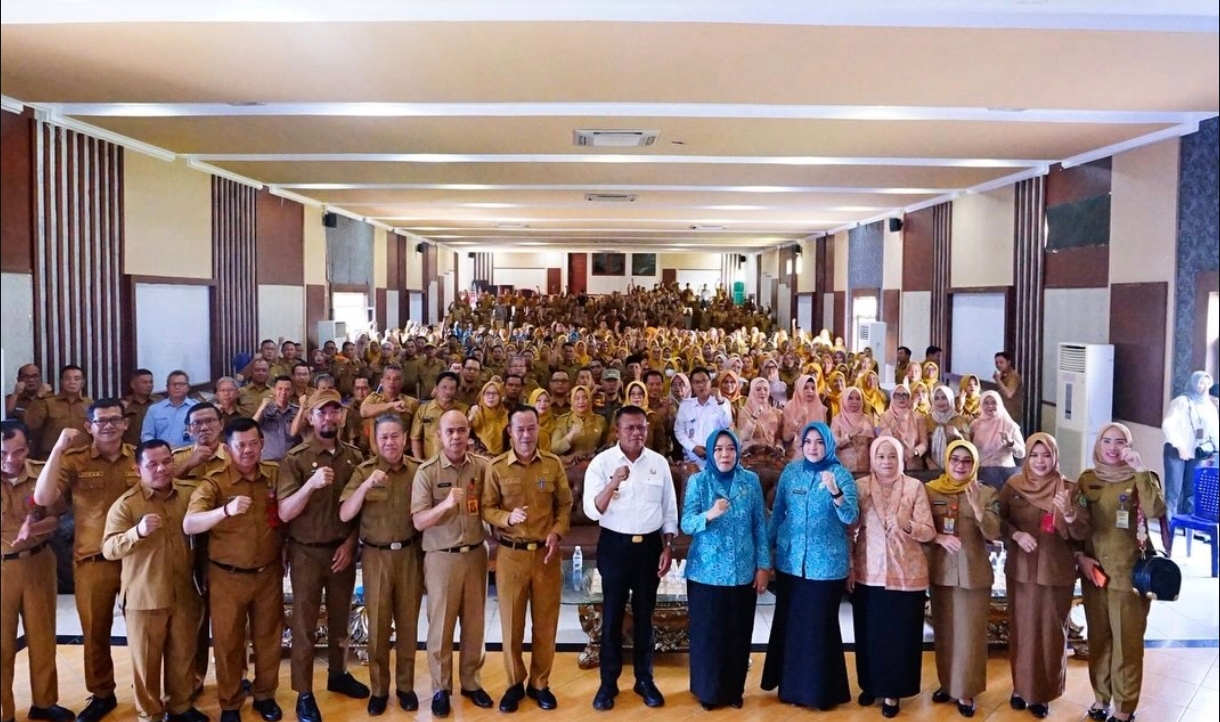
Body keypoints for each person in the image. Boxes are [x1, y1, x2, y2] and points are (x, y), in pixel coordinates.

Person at [34, 400, 139, 722]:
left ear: (124, 424)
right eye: (101, 421)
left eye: (115, 420)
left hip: (138, 560)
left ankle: (152, 692)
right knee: (95, 631)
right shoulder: (74, 461)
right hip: (93, 560)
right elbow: (44, 498)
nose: (108, 426)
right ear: (88, 427)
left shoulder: (139, 457)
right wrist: (57, 450)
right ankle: (102, 693)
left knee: (147, 631)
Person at [183, 418, 285, 722]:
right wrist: (223, 511)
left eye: (254, 443)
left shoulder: (274, 476)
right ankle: (230, 703)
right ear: (227, 448)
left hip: (268, 572)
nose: (248, 450)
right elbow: (190, 523)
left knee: (269, 638)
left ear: (262, 444)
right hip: (226, 576)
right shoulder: (214, 483)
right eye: (241, 444)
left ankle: (265, 695)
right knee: (228, 642)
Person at [276, 389, 369, 722]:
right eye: (322, 412)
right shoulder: (296, 459)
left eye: (335, 412)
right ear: (311, 418)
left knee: (341, 619)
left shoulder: (354, 457)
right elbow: (285, 512)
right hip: (306, 553)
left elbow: (361, 512)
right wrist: (311, 485)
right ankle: (304, 692)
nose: (330, 418)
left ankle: (339, 673)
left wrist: (351, 544)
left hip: (342, 551)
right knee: (303, 625)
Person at [101, 439, 207, 722]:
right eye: (152, 464)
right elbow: (109, 549)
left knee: (183, 657)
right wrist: (136, 532)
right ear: (138, 469)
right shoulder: (126, 505)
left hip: (184, 593)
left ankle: (181, 707)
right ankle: (149, 714)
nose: (161, 469)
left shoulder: (189, 494)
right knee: (146, 663)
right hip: (144, 598)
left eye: (166, 462)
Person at [583, 406, 679, 711]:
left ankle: (644, 678)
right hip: (615, 545)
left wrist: (667, 546)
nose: (637, 433)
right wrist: (613, 482)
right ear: (617, 432)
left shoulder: (659, 463)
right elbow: (591, 510)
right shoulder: (602, 463)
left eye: (642, 427)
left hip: (650, 547)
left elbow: (669, 509)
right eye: (630, 428)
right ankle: (608, 684)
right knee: (611, 618)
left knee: (644, 615)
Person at [482, 407, 573, 713]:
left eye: (531, 428)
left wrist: (557, 533)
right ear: (509, 431)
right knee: (511, 625)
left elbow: (565, 504)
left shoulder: (552, 464)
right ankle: (513, 683)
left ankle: (539, 683)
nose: (525, 435)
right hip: (511, 555)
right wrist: (507, 517)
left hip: (546, 555)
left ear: (538, 429)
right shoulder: (496, 468)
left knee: (546, 624)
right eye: (519, 429)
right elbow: (486, 508)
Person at [762, 421, 858, 710]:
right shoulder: (791, 472)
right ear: (801, 446)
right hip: (791, 563)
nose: (813, 447)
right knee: (793, 627)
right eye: (808, 442)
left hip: (826, 565)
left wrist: (835, 493)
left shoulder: (840, 474)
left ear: (828, 444)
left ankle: (822, 692)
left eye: (819, 442)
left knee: (819, 627)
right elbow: (777, 513)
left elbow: (851, 518)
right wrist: (765, 552)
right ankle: (792, 690)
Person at [1073, 423, 1166, 722]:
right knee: (1099, 641)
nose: (1113, 448)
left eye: (1120, 442)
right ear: (1098, 445)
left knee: (1127, 644)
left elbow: (1154, 511)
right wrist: (1079, 557)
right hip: (1095, 573)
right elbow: (1076, 525)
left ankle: (1125, 708)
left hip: (1130, 576)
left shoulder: (1143, 477)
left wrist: (1139, 469)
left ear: (1129, 445)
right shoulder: (1087, 480)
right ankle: (1101, 699)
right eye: (1106, 441)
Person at [408, 410, 495, 718]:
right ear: (439, 436)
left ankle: (471, 682)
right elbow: (418, 521)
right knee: (441, 627)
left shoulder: (483, 467)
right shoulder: (427, 472)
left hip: (475, 554)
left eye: (461, 430)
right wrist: (445, 504)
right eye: (450, 432)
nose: (457, 437)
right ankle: (440, 688)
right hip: (441, 557)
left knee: (474, 625)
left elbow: (492, 507)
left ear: (469, 432)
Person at [339, 415, 426, 716]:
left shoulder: (418, 471)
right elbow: (345, 514)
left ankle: (405, 686)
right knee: (376, 627)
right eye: (383, 437)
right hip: (375, 557)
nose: (389, 442)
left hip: (410, 554)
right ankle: (379, 689)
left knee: (408, 625)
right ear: (375, 441)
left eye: (395, 436)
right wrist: (366, 486)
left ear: (404, 438)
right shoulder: (363, 472)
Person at [998, 433, 1089, 719]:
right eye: (1034, 455)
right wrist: (1015, 533)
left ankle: (1043, 693)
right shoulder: (1013, 486)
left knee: (1051, 634)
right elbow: (997, 521)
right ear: (1026, 456)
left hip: (1056, 572)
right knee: (1023, 632)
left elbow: (1084, 534)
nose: (1040, 461)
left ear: (1055, 456)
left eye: (1046, 455)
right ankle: (1020, 688)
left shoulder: (1070, 489)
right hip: (1021, 572)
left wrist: (1071, 515)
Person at [680, 429, 770, 711]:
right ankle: (708, 691)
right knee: (708, 635)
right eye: (718, 449)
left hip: (742, 571)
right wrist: (710, 514)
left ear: (737, 452)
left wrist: (763, 566)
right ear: (710, 452)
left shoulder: (750, 480)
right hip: (705, 573)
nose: (724, 454)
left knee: (738, 633)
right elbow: (686, 523)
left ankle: (733, 690)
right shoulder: (698, 481)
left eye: (730, 449)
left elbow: (759, 525)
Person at [850, 436, 936, 719]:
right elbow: (849, 528)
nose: (886, 462)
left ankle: (893, 692)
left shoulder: (915, 487)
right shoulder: (860, 487)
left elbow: (928, 531)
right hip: (868, 572)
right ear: (872, 459)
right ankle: (870, 685)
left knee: (899, 637)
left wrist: (906, 525)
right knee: (869, 634)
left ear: (902, 460)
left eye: (892, 457)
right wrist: (850, 565)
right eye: (881, 456)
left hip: (906, 574)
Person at [1, 420, 74, 722]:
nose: (10, 460)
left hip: (38, 562)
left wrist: (34, 527)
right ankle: (4, 711)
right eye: (3, 453)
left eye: (17, 452)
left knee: (43, 637)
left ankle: (44, 703)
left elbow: (56, 519)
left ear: (28, 447)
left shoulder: (43, 473)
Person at [924, 440, 1000, 718]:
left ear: (975, 464)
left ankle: (966, 690)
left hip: (973, 574)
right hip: (941, 572)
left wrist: (978, 510)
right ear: (946, 460)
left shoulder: (987, 493)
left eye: (966, 461)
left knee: (969, 635)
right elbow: (922, 528)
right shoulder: (931, 490)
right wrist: (937, 537)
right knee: (944, 632)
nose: (959, 465)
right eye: (954, 459)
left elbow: (994, 533)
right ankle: (948, 684)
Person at [1160, 371, 1218, 537]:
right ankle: (1168, 528)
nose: (1204, 387)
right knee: (1174, 491)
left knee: (1192, 491)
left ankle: (1189, 529)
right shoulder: (1181, 401)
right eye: (1201, 383)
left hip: (1198, 452)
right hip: (1176, 452)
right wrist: (1179, 446)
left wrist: (1215, 450)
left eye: (1207, 383)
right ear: (1193, 383)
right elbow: (1168, 425)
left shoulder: (1209, 406)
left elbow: (1214, 430)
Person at [25, 365, 91, 459]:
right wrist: (39, 397)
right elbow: (31, 424)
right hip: (52, 455)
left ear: (83, 382)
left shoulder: (90, 404)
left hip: (83, 456)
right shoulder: (47, 402)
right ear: (61, 381)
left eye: (77, 379)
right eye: (67, 378)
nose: (72, 382)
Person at [674, 368, 733, 470]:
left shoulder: (722, 403)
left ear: (710, 382)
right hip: (691, 461)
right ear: (692, 385)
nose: (701, 385)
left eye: (704, 381)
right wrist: (693, 448)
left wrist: (720, 402)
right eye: (696, 382)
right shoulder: (686, 405)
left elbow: (727, 425)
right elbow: (679, 431)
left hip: (716, 460)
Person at [971, 390, 1026, 487]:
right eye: (986, 403)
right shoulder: (975, 425)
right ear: (981, 405)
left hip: (1004, 471)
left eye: (993, 402)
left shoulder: (1010, 425)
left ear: (1000, 404)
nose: (990, 406)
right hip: (981, 471)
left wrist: (1011, 443)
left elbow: (1022, 453)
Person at [410, 372, 469, 461]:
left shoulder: (463, 410)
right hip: (429, 462)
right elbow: (415, 438)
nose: (447, 392)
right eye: (444, 387)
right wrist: (420, 462)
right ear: (436, 388)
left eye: (452, 388)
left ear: (456, 391)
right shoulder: (424, 409)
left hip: (456, 462)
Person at [879, 384, 929, 471]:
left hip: (913, 464)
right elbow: (881, 440)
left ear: (909, 397)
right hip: (890, 463)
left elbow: (924, 443)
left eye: (904, 395)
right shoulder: (885, 416)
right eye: (897, 395)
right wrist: (895, 425)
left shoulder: (917, 417)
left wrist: (915, 451)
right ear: (892, 398)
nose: (901, 398)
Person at [141, 370, 199, 445]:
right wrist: (156, 449)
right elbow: (147, 435)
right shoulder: (154, 410)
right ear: (167, 387)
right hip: (161, 454)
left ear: (188, 387)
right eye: (173, 384)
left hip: (190, 452)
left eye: (181, 384)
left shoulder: (197, 408)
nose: (177, 387)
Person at [550, 385, 605, 463]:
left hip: (595, 464)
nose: (581, 402)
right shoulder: (563, 420)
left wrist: (596, 453)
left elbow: (606, 445)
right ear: (572, 401)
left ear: (590, 400)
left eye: (585, 398)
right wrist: (571, 435)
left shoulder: (600, 420)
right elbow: (555, 449)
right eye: (577, 398)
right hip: (571, 466)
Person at [252, 376, 300, 462]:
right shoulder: (265, 409)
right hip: (268, 460)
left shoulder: (297, 411)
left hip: (291, 460)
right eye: (280, 389)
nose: (283, 392)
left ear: (292, 391)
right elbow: (252, 426)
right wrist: (262, 407)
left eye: (287, 389)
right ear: (274, 390)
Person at [926, 385, 972, 471]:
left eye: (944, 398)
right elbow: (924, 444)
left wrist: (958, 435)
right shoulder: (927, 419)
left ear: (950, 399)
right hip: (930, 467)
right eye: (936, 398)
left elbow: (969, 448)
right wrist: (929, 463)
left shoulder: (960, 420)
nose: (940, 402)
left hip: (956, 467)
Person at [831, 387, 875, 474]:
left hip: (865, 466)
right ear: (844, 400)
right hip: (845, 466)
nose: (854, 402)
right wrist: (849, 435)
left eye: (858, 399)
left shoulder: (867, 419)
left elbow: (873, 444)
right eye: (850, 398)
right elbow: (834, 444)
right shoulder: (837, 420)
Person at [780, 374, 826, 459]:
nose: (810, 391)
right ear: (799, 389)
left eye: (813, 388)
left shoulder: (821, 409)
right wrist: (797, 418)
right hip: (795, 455)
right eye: (805, 388)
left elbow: (824, 436)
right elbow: (786, 437)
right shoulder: (789, 407)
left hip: (816, 455)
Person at [737, 377, 782, 453]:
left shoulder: (776, 412)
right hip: (751, 456)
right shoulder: (745, 411)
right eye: (758, 389)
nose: (762, 392)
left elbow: (779, 436)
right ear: (752, 392)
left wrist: (779, 446)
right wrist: (755, 415)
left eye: (765, 389)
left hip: (771, 457)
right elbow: (745, 437)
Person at [468, 380, 509, 456]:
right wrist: (470, 418)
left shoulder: (507, 415)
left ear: (500, 396)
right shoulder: (475, 414)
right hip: (479, 457)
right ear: (482, 396)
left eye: (494, 393)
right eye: (487, 393)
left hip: (503, 459)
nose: (491, 396)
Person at [122, 368, 160, 447]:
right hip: (130, 449)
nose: (149, 385)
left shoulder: (159, 402)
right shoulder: (124, 404)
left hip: (154, 448)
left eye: (151, 382)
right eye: (144, 382)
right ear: (133, 385)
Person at [993, 352, 1024, 422]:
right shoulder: (1001, 375)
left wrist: (998, 380)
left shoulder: (1014, 376)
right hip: (1002, 413)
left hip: (1012, 414)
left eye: (1001, 362)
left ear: (1008, 363)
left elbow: (1008, 394)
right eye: (996, 362)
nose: (998, 365)